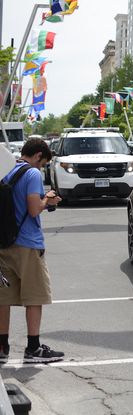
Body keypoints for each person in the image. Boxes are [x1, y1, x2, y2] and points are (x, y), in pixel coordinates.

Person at [0, 137, 64, 363]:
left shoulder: (6, 170)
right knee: (35, 296)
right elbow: (34, 209)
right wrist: (48, 200)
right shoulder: (32, 174)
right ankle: (33, 348)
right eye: (43, 163)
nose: (42, 167)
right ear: (38, 156)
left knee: (3, 298)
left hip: (4, 243)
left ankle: (2, 347)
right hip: (28, 243)